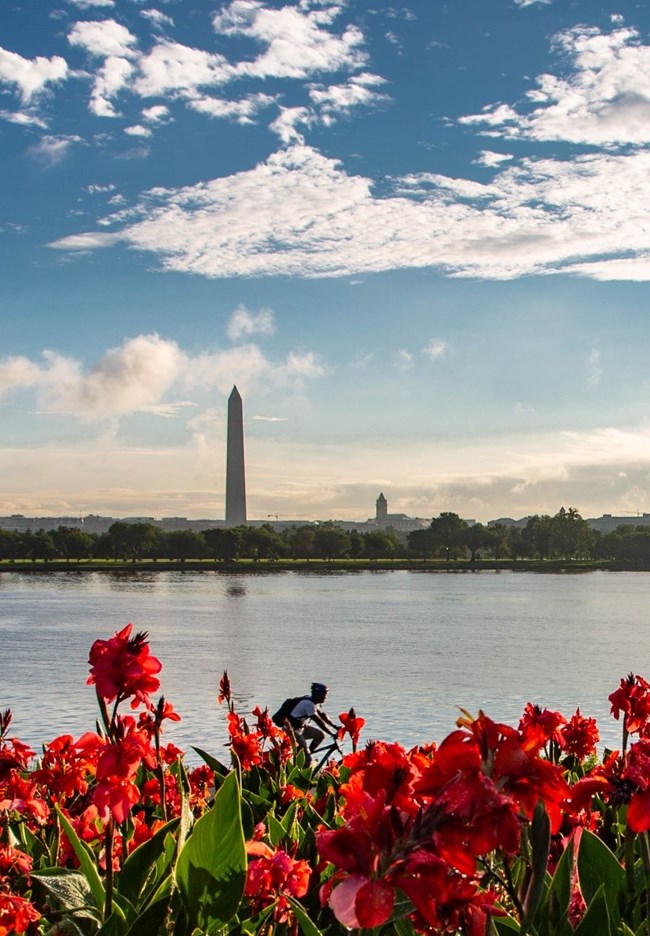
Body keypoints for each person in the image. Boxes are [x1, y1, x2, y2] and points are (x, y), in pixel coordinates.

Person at [289, 682, 338, 765]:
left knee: (320, 735)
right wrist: (332, 734)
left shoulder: (312, 701)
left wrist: (335, 726)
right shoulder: (309, 704)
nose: (325, 697)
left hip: (301, 728)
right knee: (308, 760)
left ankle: (306, 753)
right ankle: (305, 761)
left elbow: (322, 716)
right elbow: (319, 722)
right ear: (317, 694)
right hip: (294, 732)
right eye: (323, 695)